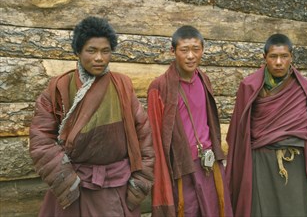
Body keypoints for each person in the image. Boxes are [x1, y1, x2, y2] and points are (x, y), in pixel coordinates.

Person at [29, 16, 154, 216]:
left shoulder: (123, 86)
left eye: (105, 51)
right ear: (78, 51)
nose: (99, 58)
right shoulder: (59, 88)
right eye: (91, 50)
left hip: (116, 188)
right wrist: (67, 181)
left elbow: (144, 135)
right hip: (75, 188)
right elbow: (40, 140)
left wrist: (140, 180)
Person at [225, 33, 307, 217]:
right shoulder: (249, 86)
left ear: (291, 57)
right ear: (265, 58)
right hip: (260, 162)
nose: (279, 62)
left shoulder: (304, 88)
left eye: (284, 56)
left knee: (295, 211)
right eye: (273, 57)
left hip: (295, 161)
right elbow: (238, 133)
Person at [147, 25, 233, 217]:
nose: (191, 56)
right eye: (184, 50)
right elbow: (155, 138)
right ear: (173, 51)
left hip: (209, 163)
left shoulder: (204, 79)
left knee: (214, 210)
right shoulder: (159, 87)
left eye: (196, 49)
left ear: (203, 49)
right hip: (182, 168)